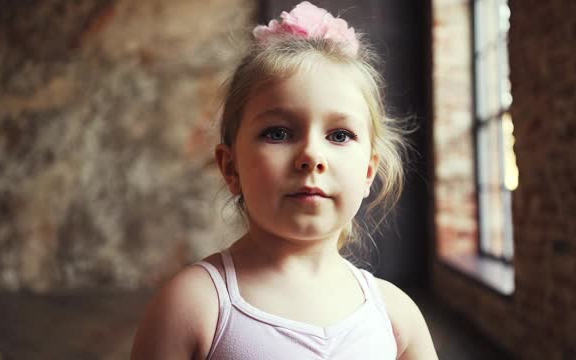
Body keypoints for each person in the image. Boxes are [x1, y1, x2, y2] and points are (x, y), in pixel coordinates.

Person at [130, 2, 438, 359]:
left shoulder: (396, 316)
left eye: (339, 136)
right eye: (278, 133)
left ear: (368, 171)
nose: (311, 156)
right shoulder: (195, 307)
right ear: (231, 168)